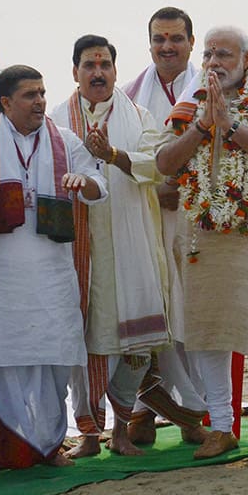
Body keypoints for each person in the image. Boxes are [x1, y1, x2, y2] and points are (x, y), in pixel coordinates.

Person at [0, 64, 106, 470]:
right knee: (7, 365)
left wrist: (81, 182)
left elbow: (98, 184)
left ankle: (50, 448)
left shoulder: (64, 140)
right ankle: (7, 453)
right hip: (3, 279)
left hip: (53, 276)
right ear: (5, 102)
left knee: (54, 362)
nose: (40, 101)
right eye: (29, 95)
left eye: (41, 93)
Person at [156, 26, 248, 459]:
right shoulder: (190, 103)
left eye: (225, 54)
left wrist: (231, 126)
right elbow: (164, 162)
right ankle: (221, 426)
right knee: (209, 330)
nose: (214, 61)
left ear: (247, 60)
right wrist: (202, 126)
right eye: (210, 53)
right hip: (202, 234)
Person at [49, 34, 176, 457]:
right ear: (75, 72)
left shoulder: (139, 116)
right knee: (87, 339)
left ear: (116, 71)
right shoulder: (56, 122)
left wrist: (115, 154)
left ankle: (120, 430)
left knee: (136, 344)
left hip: (132, 238)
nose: (98, 72)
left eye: (105, 64)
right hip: (80, 248)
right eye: (89, 65)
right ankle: (88, 434)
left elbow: (157, 168)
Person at [121, 7, 209, 446]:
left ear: (192, 42)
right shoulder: (130, 96)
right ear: (149, 44)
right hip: (151, 218)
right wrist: (157, 193)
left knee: (195, 310)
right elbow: (124, 160)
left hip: (204, 217)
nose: (167, 47)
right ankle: (143, 411)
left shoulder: (212, 85)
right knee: (155, 307)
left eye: (176, 38)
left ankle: (200, 408)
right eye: (159, 39)